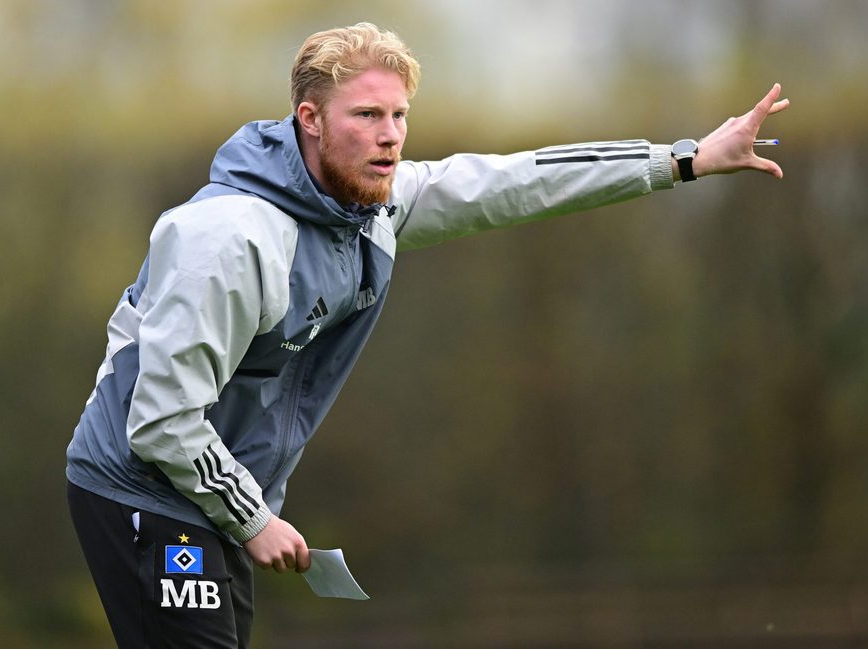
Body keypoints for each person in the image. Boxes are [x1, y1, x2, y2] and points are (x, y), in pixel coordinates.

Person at [66, 21, 789, 649]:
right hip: (144, 485)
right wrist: (252, 516)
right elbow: (160, 421)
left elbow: (512, 183)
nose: (390, 137)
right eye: (367, 115)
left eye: (399, 115)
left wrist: (682, 160)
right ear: (308, 118)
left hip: (215, 497)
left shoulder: (371, 207)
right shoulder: (225, 240)